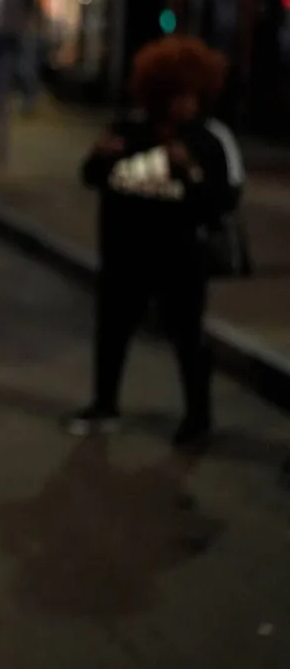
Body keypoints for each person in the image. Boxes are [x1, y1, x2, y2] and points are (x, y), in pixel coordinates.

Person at [67, 36, 243, 451]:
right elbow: (91, 177)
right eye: (176, 96)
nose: (185, 105)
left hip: (180, 260)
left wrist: (191, 173)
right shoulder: (128, 129)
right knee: (112, 331)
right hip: (124, 254)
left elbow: (223, 202)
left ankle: (198, 418)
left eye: (191, 96)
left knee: (188, 339)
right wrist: (99, 155)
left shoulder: (209, 140)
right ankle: (104, 404)